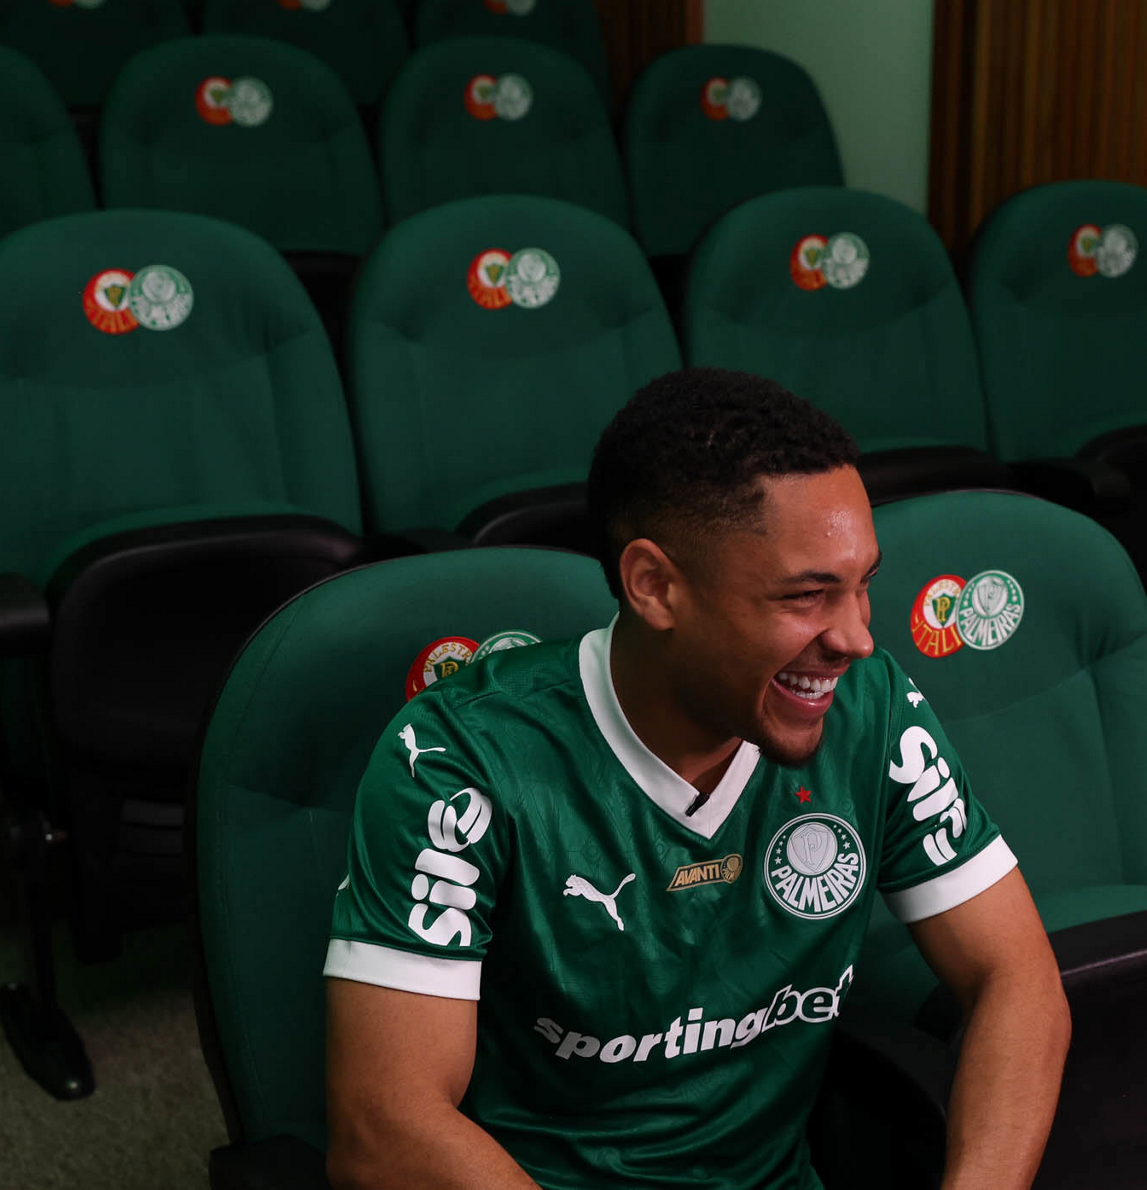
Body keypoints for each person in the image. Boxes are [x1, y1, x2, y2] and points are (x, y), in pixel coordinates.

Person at [322, 368, 1070, 1189]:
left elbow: (1016, 978)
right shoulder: (459, 760)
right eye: (807, 596)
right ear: (655, 586)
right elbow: (384, 1127)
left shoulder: (872, 709)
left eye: (863, 586)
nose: (857, 638)